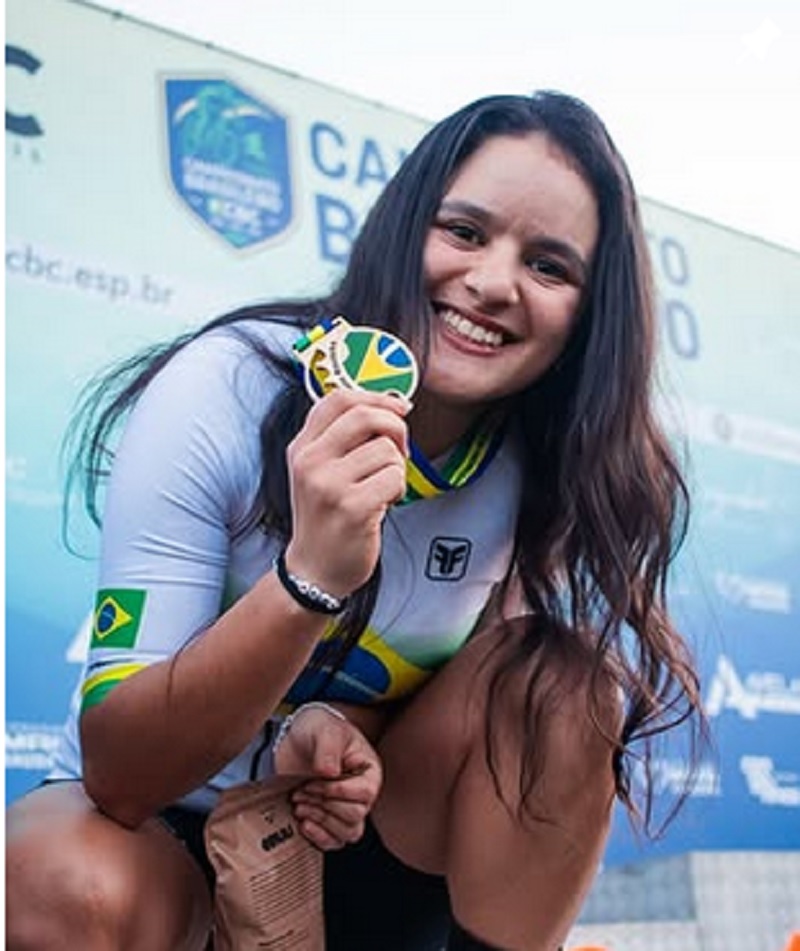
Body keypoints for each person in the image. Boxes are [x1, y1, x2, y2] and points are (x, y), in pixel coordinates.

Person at [6, 91, 705, 951]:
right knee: (60, 884)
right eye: (465, 232)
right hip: (157, 831)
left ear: (589, 313)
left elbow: (472, 722)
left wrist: (340, 729)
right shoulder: (227, 385)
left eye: (549, 267)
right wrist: (309, 580)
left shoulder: (547, 463)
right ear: (403, 227)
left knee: (563, 691)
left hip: (352, 846)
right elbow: (120, 773)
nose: (493, 284)